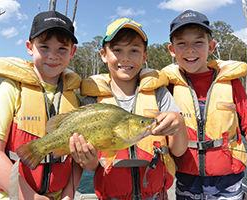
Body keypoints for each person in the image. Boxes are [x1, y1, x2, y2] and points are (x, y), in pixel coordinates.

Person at [69, 18, 189, 200]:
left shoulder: (160, 94)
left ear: (144, 56)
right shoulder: (92, 101)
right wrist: (89, 160)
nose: (125, 58)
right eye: (117, 50)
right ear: (103, 54)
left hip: (156, 195)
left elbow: (178, 151)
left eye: (134, 50)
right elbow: (92, 167)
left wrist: (179, 125)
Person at [160, 9, 247, 200]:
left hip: (228, 181)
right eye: (182, 43)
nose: (190, 49)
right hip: (186, 180)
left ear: (211, 46)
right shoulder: (168, 86)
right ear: (172, 50)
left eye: (198, 42)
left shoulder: (231, 82)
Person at [0, 11, 82, 200]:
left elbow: (77, 158)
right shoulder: (12, 88)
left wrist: (68, 194)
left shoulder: (73, 97)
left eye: (62, 49)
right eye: (44, 47)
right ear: (30, 47)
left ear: (72, 52)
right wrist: (30, 197)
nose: (53, 55)